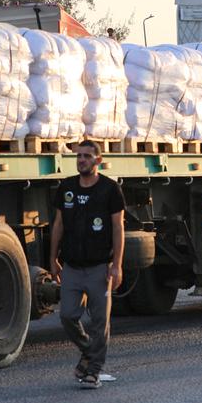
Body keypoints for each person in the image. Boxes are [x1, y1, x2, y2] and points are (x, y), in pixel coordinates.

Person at [50, 140, 125, 389]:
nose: (81, 160)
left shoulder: (110, 189)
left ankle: (93, 371)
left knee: (99, 322)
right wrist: (53, 259)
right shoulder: (67, 187)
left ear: (98, 160)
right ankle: (89, 351)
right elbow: (58, 224)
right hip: (72, 266)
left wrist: (117, 265)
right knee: (67, 316)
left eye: (87, 156)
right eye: (79, 156)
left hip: (99, 267)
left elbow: (118, 228)